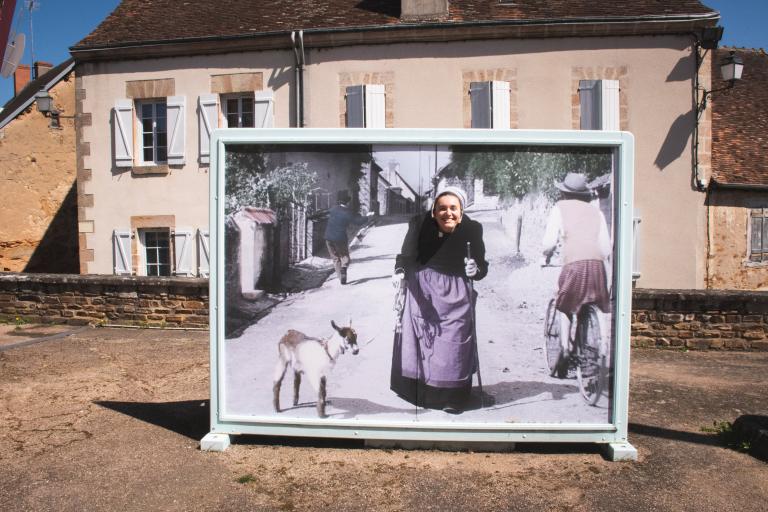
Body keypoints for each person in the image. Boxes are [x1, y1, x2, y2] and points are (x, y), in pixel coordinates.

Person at [390, 186, 488, 414]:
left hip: (456, 290)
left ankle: (453, 397)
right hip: (423, 288)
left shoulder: (472, 229)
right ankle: (426, 395)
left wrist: (476, 269)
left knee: (454, 342)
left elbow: (482, 265)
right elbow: (406, 254)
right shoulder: (420, 222)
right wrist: (400, 271)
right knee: (426, 342)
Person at [541, 172, 611, 372]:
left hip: (574, 264)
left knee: (564, 305)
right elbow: (606, 248)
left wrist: (545, 256)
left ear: (564, 193)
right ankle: (584, 348)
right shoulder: (596, 211)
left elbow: (548, 243)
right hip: (597, 266)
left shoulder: (559, 209)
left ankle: (564, 348)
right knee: (586, 302)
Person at [324, 191, 369, 285]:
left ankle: (341, 278)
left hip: (328, 237)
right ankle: (344, 268)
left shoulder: (333, 209)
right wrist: (367, 217)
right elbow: (358, 222)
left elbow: (323, 213)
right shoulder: (348, 213)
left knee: (335, 258)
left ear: (339, 202)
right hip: (340, 238)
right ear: (347, 203)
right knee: (345, 257)